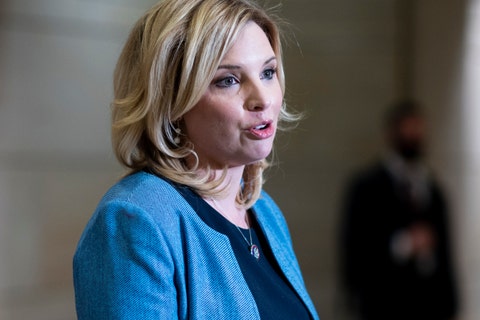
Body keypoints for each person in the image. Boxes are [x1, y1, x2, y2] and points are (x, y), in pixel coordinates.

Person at [72, 0, 319, 319]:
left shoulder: (265, 212)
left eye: (268, 72)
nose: (263, 99)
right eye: (228, 80)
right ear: (172, 99)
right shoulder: (136, 221)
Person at [339, 100, 459, 320]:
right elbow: (355, 248)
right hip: (383, 304)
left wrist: (451, 304)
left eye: (418, 129)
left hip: (429, 305)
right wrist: (403, 244)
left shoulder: (434, 189)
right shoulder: (366, 188)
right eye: (408, 129)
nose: (414, 135)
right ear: (392, 133)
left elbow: (446, 253)